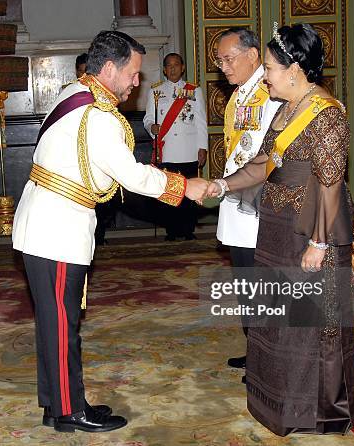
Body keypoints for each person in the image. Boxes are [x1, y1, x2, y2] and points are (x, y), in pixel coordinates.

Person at [12, 30, 208, 433]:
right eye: (133, 74)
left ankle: (58, 402)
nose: (137, 83)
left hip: (46, 223)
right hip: (57, 228)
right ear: (108, 69)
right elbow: (131, 176)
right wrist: (186, 186)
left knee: (54, 320)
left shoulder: (73, 91)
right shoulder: (97, 116)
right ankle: (69, 412)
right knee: (62, 323)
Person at [207, 23, 354, 435]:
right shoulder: (285, 107)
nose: (264, 76)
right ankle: (278, 403)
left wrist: (319, 242)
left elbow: (332, 183)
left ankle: (318, 410)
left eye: (268, 68)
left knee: (313, 323)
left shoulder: (327, 113)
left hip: (313, 228)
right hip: (277, 227)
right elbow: (265, 163)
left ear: (294, 68)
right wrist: (221, 185)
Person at [213, 28, 281, 376]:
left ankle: (267, 357)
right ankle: (255, 347)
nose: (222, 66)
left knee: (261, 284)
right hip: (237, 200)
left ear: (252, 55)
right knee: (245, 282)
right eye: (220, 60)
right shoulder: (241, 94)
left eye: (228, 59)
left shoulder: (271, 92)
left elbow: (269, 156)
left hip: (257, 203)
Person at [143, 53, 207, 241]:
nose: (172, 69)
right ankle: (172, 231)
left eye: (176, 65)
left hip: (189, 149)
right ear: (164, 69)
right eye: (169, 66)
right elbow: (148, 118)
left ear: (182, 67)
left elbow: (201, 121)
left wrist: (202, 147)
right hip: (168, 150)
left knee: (190, 192)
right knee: (170, 191)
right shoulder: (155, 91)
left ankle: (188, 230)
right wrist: (151, 127)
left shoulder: (194, 91)